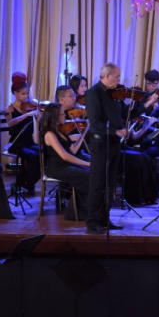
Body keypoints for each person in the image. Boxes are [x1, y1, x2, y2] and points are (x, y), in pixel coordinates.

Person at [85, 63, 128, 234]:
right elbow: (95, 124)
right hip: (101, 144)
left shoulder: (114, 95)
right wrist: (115, 131)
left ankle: (104, 218)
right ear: (107, 75)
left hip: (114, 144)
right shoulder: (93, 93)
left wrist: (147, 104)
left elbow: (125, 113)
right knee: (97, 183)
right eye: (117, 76)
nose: (119, 79)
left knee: (110, 184)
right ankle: (92, 221)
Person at [40, 103, 90, 221]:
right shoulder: (50, 134)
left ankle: (84, 211)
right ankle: (73, 213)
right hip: (57, 169)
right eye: (62, 114)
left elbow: (72, 151)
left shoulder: (60, 131)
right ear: (55, 116)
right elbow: (65, 156)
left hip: (66, 166)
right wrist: (87, 163)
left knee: (91, 173)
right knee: (89, 174)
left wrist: (84, 132)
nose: (65, 116)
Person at [4, 72, 41, 194]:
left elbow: (41, 122)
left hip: (29, 141)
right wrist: (26, 115)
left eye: (27, 93)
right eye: (23, 94)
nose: (26, 96)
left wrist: (38, 114)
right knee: (31, 155)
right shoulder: (9, 108)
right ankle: (27, 183)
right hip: (16, 142)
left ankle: (24, 182)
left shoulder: (31, 105)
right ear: (15, 93)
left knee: (44, 153)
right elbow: (10, 123)